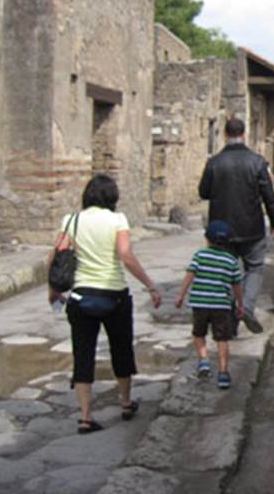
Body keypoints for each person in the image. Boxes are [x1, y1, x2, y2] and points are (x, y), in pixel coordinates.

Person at [47, 174, 163, 434]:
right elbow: (125, 254)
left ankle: (86, 417)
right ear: (112, 197)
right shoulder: (117, 220)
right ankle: (124, 403)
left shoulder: (71, 220)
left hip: (81, 297)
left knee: (83, 355)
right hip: (114, 296)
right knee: (121, 349)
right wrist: (149, 284)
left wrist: (52, 289)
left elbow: (55, 255)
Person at [198, 117, 274, 334]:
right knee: (254, 268)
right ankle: (247, 308)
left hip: (220, 231)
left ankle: (229, 321)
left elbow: (203, 192)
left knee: (225, 272)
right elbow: (269, 196)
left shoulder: (214, 162)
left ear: (225, 134)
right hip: (251, 228)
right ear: (244, 135)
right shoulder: (257, 162)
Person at [175, 220, 243, 389]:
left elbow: (190, 275)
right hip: (221, 305)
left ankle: (204, 360)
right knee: (222, 339)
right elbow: (237, 285)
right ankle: (223, 373)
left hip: (200, 303)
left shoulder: (200, 255)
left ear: (207, 239)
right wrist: (240, 304)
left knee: (199, 333)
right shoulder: (231, 260)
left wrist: (181, 295)